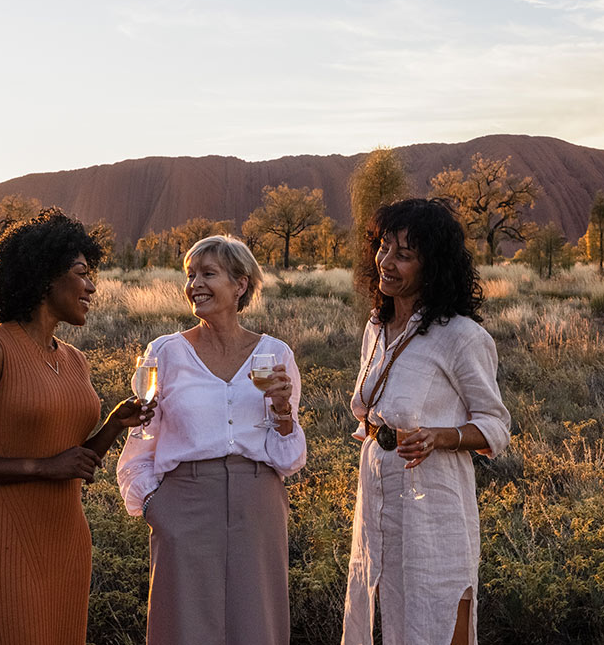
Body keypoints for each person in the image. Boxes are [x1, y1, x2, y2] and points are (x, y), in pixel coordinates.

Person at [0, 208, 152, 645]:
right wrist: (43, 468)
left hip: (68, 539)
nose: (92, 286)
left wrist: (112, 426)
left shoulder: (75, 360)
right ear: (44, 277)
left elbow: (71, 459)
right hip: (3, 540)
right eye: (81, 273)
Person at [117, 235, 307, 645]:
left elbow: (289, 460)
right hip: (183, 502)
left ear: (240, 285)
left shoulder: (275, 355)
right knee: (183, 628)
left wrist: (283, 412)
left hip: (257, 505)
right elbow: (139, 444)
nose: (195, 285)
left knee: (258, 626)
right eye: (190, 275)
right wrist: (155, 506)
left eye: (208, 274)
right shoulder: (164, 353)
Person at [342, 198, 511, 645]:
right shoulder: (375, 327)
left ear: (432, 265)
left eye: (405, 254)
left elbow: (495, 425)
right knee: (379, 602)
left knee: (435, 604)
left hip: (432, 500)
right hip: (378, 488)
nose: (387, 262)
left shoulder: (461, 337)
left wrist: (442, 436)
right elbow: (370, 410)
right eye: (383, 248)